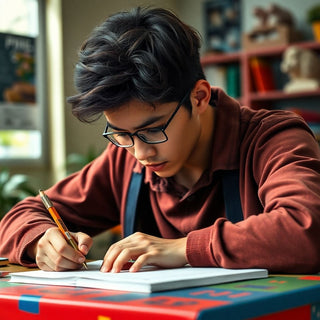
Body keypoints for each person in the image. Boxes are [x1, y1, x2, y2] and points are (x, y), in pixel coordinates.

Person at [1, 7, 320, 274]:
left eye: (153, 130)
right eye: (122, 134)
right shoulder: (123, 158)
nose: (140, 152)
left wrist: (184, 248)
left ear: (198, 97)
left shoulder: (272, 139)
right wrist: (39, 239)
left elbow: (307, 229)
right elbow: (19, 215)